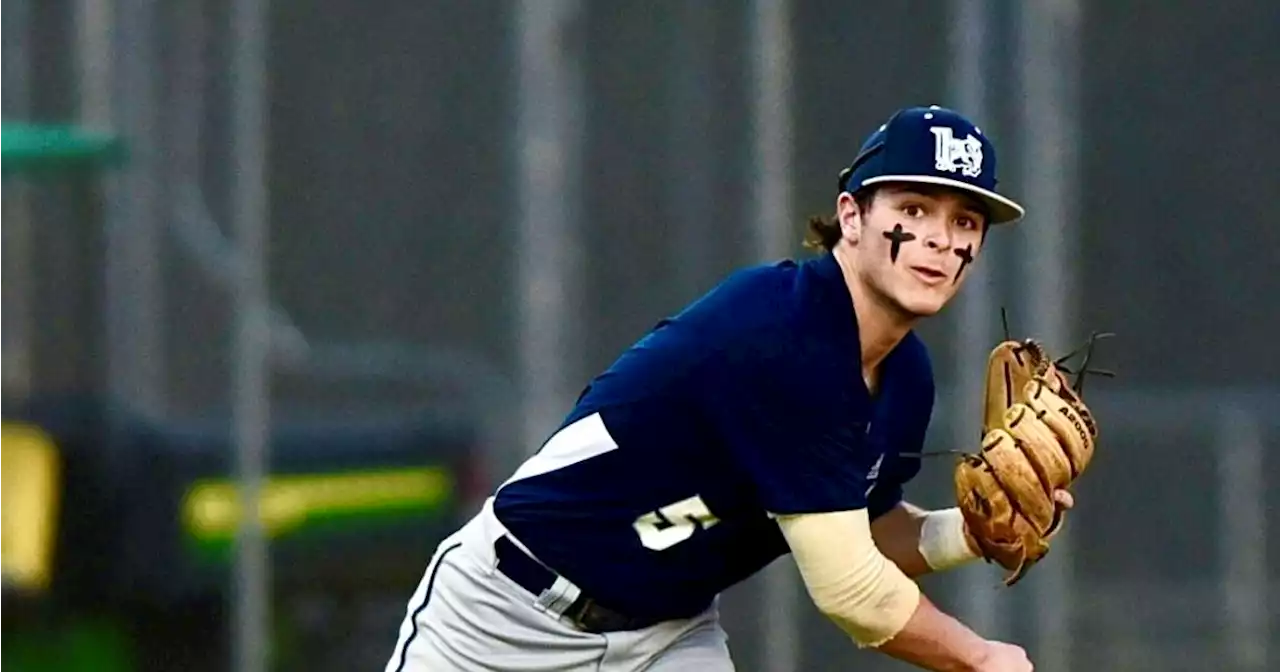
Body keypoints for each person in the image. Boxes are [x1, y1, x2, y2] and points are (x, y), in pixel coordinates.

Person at [384, 104, 1070, 672]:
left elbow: (867, 530)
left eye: (964, 222)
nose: (938, 240)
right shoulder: (778, 332)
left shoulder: (903, 378)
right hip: (503, 615)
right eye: (914, 207)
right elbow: (853, 593)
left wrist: (972, 534)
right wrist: (978, 658)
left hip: (664, 639)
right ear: (852, 215)